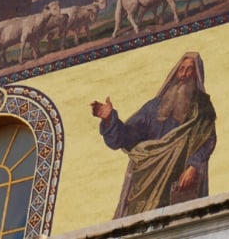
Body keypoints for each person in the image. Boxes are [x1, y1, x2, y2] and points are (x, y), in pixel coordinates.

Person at [92, 52, 217, 218]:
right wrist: (110, 120)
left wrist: (194, 166)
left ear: (197, 75)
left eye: (190, 70)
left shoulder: (201, 110)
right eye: (181, 70)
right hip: (145, 184)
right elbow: (127, 136)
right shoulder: (154, 107)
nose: (184, 75)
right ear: (175, 73)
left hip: (179, 183)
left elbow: (207, 139)